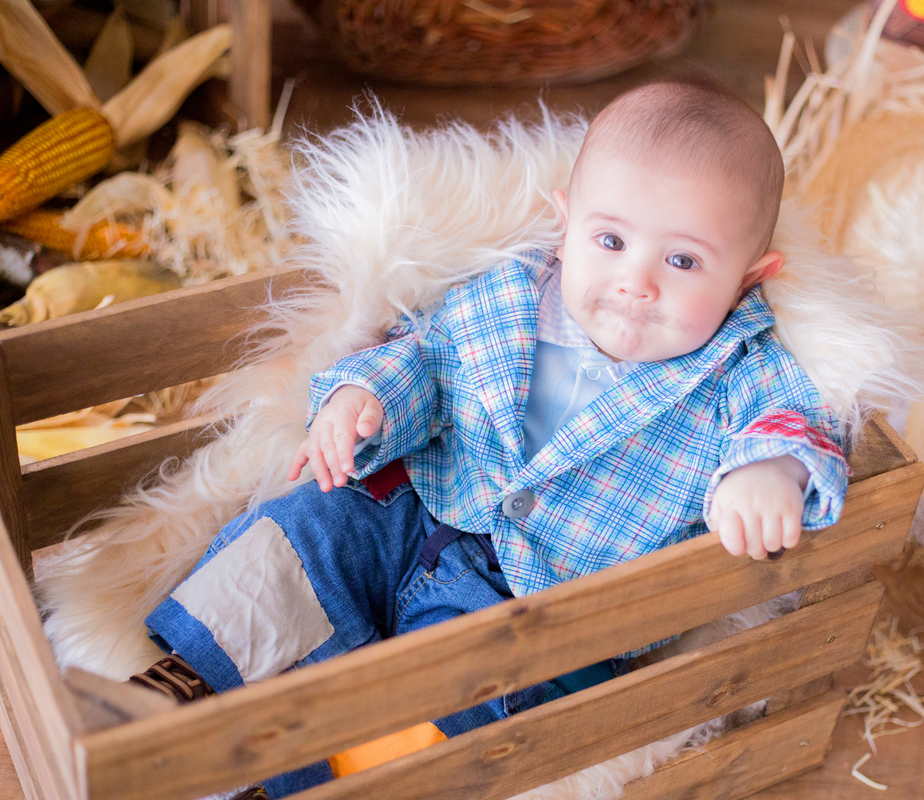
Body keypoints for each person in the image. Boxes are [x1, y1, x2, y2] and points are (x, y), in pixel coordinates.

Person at [133, 78, 849, 798]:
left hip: (534, 605)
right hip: (416, 512)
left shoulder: (736, 368)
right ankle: (180, 684)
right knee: (311, 527)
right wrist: (364, 398)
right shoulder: (506, 296)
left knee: (457, 690)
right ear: (565, 228)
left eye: (684, 261)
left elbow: (788, 423)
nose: (636, 281)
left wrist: (771, 471)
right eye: (610, 240)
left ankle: (313, 780)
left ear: (751, 280)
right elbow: (426, 359)